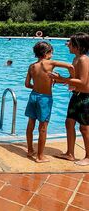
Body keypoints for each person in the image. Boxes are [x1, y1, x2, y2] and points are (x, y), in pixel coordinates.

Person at [25, 41, 74, 163]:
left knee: (31, 123)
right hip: (45, 99)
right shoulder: (51, 63)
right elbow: (71, 66)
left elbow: (27, 84)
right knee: (43, 127)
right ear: (47, 53)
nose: (52, 55)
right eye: (51, 53)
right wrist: (71, 80)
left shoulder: (31, 66)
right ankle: (40, 156)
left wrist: (37, 87)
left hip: (33, 96)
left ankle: (30, 150)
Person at [49, 33, 89, 165]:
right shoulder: (75, 59)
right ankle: (70, 153)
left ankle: (88, 156)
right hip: (76, 96)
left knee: (84, 127)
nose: (68, 45)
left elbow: (82, 82)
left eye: (70, 43)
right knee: (69, 122)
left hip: (85, 98)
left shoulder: (84, 59)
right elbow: (73, 81)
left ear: (78, 46)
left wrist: (62, 79)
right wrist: (59, 79)